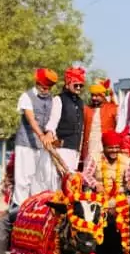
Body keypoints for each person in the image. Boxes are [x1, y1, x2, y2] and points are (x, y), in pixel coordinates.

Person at [14, 69, 61, 204]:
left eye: (49, 88)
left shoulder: (52, 100)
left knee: (39, 180)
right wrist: (41, 135)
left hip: (43, 147)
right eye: (44, 87)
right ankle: (19, 209)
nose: (46, 90)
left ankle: (35, 210)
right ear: (37, 83)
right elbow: (31, 120)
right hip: (26, 144)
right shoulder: (26, 97)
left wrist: (50, 137)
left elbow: (53, 121)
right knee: (23, 180)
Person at [55, 66, 87, 173]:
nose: (78, 87)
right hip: (61, 148)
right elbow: (52, 124)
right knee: (60, 181)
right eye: (76, 85)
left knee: (72, 182)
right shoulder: (58, 99)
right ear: (68, 84)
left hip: (75, 149)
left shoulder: (80, 102)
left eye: (81, 85)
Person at [81, 78, 118, 168]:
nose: (94, 98)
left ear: (103, 96)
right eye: (92, 95)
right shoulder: (86, 109)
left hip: (105, 148)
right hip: (89, 147)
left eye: (97, 96)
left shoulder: (112, 108)